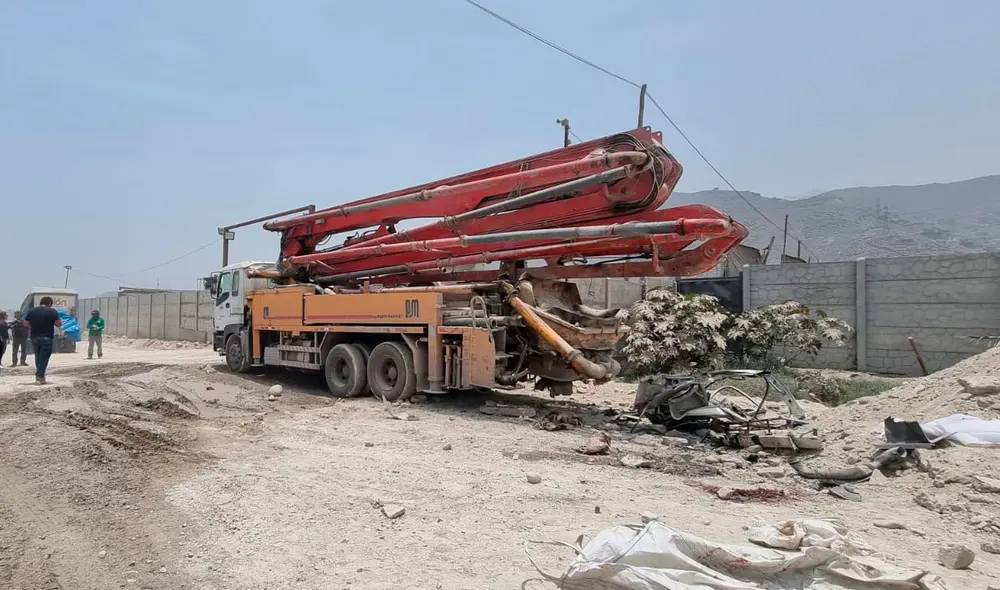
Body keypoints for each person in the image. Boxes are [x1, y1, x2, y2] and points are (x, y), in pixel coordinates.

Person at [24, 297, 62, 384]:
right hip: (47, 337)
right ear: (49, 303)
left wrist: (34, 325)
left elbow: (26, 323)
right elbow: (58, 324)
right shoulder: (52, 311)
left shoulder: (32, 311)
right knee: (44, 357)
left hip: (34, 337)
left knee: (38, 356)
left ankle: (41, 375)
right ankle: (40, 376)